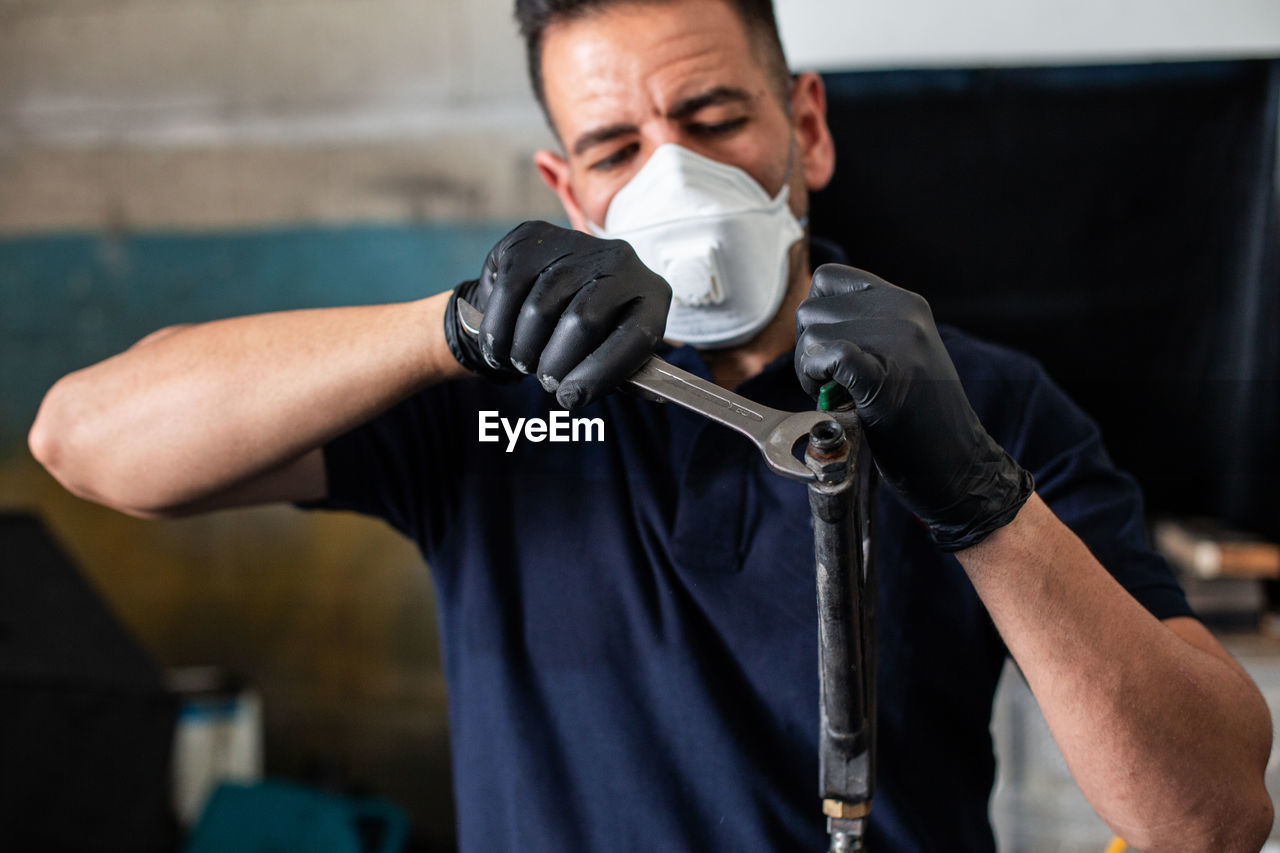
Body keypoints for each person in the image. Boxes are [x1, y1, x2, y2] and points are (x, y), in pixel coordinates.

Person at [28, 0, 1273, 850]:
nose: (675, 175)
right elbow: (84, 442)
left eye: (717, 119)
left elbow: (1207, 816)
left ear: (809, 128)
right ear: (565, 190)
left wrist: (976, 495)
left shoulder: (985, 405)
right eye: (616, 145)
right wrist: (452, 327)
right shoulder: (486, 409)